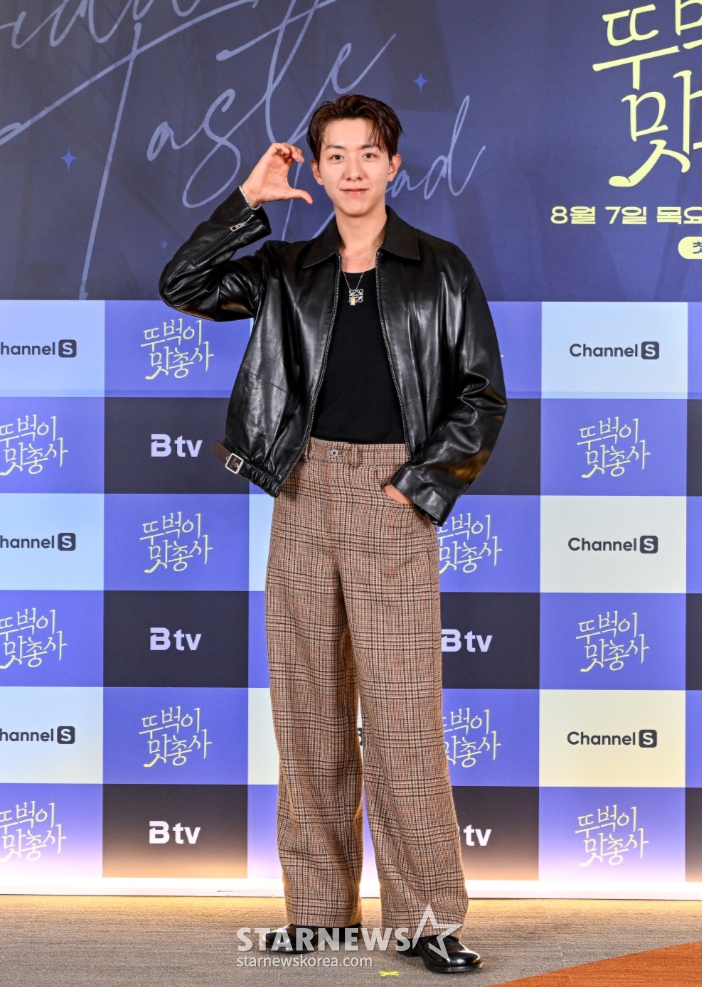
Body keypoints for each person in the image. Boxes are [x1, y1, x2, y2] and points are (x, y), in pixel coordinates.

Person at [159, 94, 506, 974]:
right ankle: (319, 914)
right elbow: (182, 284)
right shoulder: (285, 268)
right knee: (308, 715)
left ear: (395, 165)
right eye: (336, 155)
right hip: (304, 490)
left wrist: (417, 488)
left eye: (368, 153)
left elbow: (481, 394)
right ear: (314, 170)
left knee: (403, 722)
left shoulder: (440, 267)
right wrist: (248, 198)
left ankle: (428, 919)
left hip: (393, 495)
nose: (353, 169)